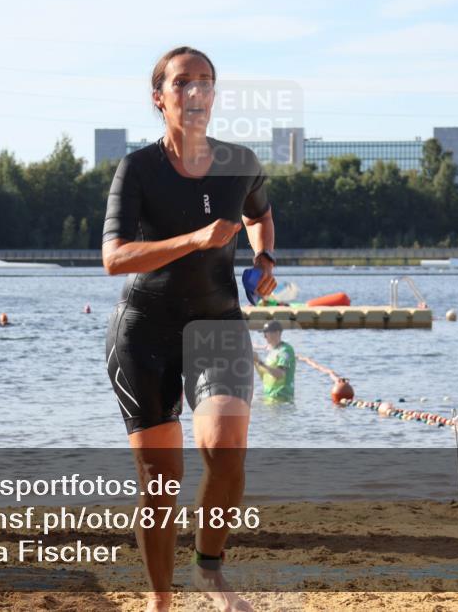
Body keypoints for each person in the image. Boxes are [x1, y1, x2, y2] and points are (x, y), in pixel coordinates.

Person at [102, 46, 276, 612]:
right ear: (160, 98)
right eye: (182, 82)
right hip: (144, 331)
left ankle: (209, 570)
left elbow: (258, 213)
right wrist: (195, 239)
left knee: (226, 451)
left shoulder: (240, 162)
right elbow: (114, 257)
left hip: (217, 322)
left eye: (205, 81)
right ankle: (161, 599)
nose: (196, 90)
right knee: (161, 481)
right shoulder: (137, 168)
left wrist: (264, 259)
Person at [253, 321, 296, 403]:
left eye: (267, 333)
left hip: (282, 400)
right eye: (263, 333)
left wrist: (259, 361)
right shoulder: (273, 351)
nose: (264, 336)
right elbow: (265, 376)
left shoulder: (285, 350)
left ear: (277, 333)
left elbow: (280, 374)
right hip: (269, 397)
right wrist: (255, 362)